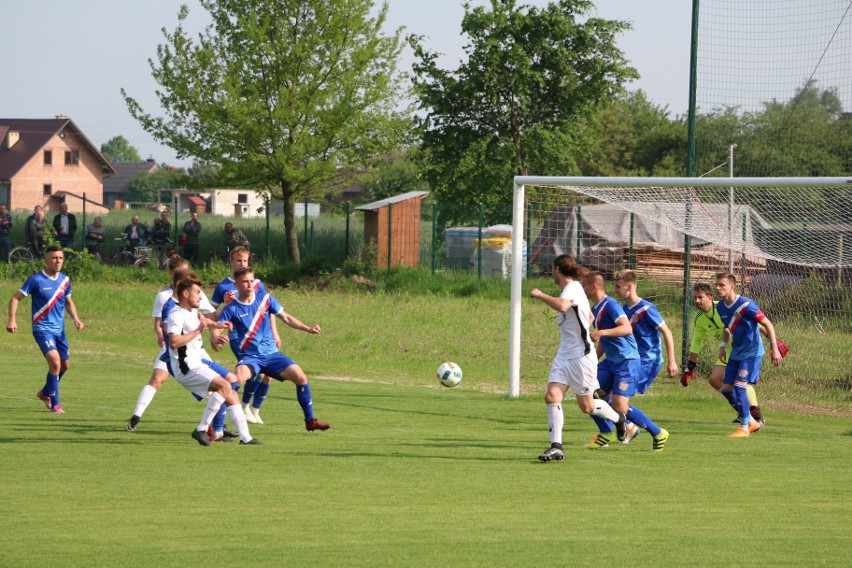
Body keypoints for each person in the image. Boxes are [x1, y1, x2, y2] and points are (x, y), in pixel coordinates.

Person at [529, 255, 626, 462]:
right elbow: (589, 317)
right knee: (552, 396)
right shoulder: (572, 290)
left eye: (552, 270)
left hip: (581, 357)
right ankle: (556, 447)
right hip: (564, 355)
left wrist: (540, 294)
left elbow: (563, 306)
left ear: (557, 269)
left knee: (587, 407)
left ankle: (619, 418)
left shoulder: (572, 288)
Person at [217, 266, 331, 432]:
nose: (249, 285)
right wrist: (215, 336)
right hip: (251, 357)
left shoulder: (265, 299)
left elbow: (286, 317)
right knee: (237, 380)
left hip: (272, 355)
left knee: (300, 376)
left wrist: (308, 329)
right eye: (244, 282)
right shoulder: (231, 308)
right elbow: (217, 326)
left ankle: (310, 421)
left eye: (251, 281)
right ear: (237, 285)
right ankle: (217, 424)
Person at [126, 257, 221, 433]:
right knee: (157, 379)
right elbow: (159, 322)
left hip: (195, 349)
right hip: (174, 346)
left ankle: (218, 428)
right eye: (183, 273)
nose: (187, 276)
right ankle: (136, 415)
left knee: (218, 385)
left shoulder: (196, 293)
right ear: (172, 275)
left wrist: (216, 330)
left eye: (188, 271)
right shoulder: (164, 296)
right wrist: (161, 336)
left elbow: (211, 316)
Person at [167, 275, 260, 446]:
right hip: (186, 366)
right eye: (197, 293)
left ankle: (245, 438)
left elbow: (206, 320)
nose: (200, 296)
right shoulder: (176, 315)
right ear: (186, 294)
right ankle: (202, 429)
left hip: (198, 362)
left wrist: (218, 325)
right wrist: (198, 331)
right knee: (225, 386)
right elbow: (173, 342)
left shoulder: (192, 312)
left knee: (230, 388)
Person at [582, 271, 669, 451]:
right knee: (586, 388)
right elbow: (605, 342)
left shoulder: (612, 305)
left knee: (619, 404)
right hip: (611, 362)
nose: (582, 289)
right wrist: (593, 360)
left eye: (584, 286)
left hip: (627, 362)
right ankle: (609, 432)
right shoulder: (597, 308)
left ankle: (657, 432)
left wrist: (601, 332)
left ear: (593, 286)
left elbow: (627, 329)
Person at [680, 283, 789, 425]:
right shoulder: (700, 319)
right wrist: (690, 367)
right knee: (714, 379)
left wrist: (774, 341)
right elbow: (696, 342)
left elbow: (755, 323)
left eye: (700, 297)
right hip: (726, 351)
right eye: (694, 298)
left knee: (741, 383)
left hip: (745, 348)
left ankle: (756, 416)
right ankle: (743, 412)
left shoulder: (723, 307)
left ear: (710, 297)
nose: (697, 301)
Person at [6, 246, 85, 413]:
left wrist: (76, 319)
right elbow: (15, 298)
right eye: (54, 258)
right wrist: (12, 320)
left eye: (61, 258)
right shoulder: (36, 280)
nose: (58, 261)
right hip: (42, 329)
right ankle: (55, 403)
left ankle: (45, 392)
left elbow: (69, 302)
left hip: (60, 331)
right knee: (55, 362)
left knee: (65, 365)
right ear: (46, 260)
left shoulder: (65, 280)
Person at [210, 246, 280, 424]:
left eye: (245, 261)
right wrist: (214, 334)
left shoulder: (256, 284)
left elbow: (267, 309)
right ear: (231, 262)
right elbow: (211, 314)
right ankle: (236, 408)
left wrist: (274, 334)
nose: (242, 263)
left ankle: (252, 409)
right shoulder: (223, 287)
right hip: (238, 337)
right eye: (238, 261)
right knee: (253, 370)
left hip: (261, 335)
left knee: (267, 375)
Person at [612, 269, 678, 444]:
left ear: (630, 286)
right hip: (632, 360)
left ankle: (649, 431)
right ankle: (630, 427)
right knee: (608, 395)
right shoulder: (624, 309)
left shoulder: (646, 309)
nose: (615, 290)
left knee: (618, 400)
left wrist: (672, 361)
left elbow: (667, 331)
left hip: (648, 361)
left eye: (618, 287)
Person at [715, 272, 784, 438]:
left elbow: (767, 323)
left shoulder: (747, 304)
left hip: (752, 352)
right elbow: (727, 327)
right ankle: (752, 421)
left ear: (732, 286)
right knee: (726, 389)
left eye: (721, 285)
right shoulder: (720, 307)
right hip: (736, 352)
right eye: (716, 285)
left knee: (740, 386)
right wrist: (723, 346)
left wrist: (774, 347)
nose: (717, 288)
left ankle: (745, 427)